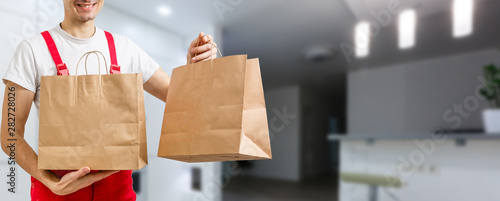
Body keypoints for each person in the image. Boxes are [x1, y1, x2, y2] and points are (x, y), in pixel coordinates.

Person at [0, 0, 218, 200]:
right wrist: (50, 182)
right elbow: (9, 134)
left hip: (118, 190)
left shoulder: (126, 49)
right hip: (58, 190)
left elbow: (181, 100)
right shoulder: (31, 50)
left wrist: (195, 67)